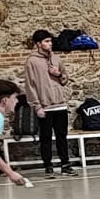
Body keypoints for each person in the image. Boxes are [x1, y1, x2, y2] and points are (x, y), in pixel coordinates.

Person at [22, 29, 74, 177]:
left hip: (60, 104)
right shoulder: (32, 61)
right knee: (45, 138)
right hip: (45, 106)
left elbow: (65, 79)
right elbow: (30, 85)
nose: (50, 44)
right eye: (46, 41)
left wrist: (58, 74)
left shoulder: (56, 59)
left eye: (50, 41)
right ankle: (48, 166)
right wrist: (37, 106)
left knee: (62, 136)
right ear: (38, 44)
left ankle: (65, 165)